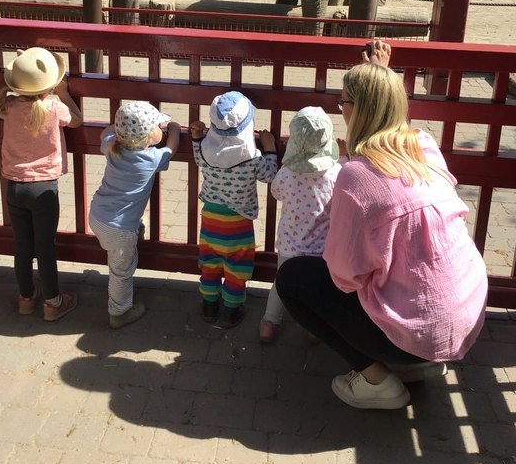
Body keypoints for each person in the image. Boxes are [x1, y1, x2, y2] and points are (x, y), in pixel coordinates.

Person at [276, 40, 488, 410]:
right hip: (464, 318)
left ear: (356, 109)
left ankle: (376, 380)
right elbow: (390, 119)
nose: (340, 108)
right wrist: (381, 74)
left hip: (419, 329)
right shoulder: (423, 145)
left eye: (343, 102)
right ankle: (421, 361)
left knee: (294, 278)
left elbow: (344, 276)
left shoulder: (356, 176)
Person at [0, 46, 83, 321]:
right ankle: (53, 302)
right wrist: (65, 94)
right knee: (45, 247)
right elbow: (77, 121)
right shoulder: (55, 107)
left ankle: (25, 297)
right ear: (51, 83)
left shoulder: (7, 106)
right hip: (44, 188)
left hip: (15, 187)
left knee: (22, 246)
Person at [89, 102, 181, 329]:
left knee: (128, 233)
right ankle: (119, 312)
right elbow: (172, 147)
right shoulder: (150, 160)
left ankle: (135, 231)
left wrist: (119, 128)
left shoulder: (112, 146)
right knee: (121, 271)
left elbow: (105, 132)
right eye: (158, 126)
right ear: (151, 136)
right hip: (119, 230)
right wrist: (176, 128)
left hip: (98, 215)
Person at [190, 91, 277, 328]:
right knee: (236, 268)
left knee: (209, 263)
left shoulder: (206, 151)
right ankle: (230, 310)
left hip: (210, 219)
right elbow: (270, 174)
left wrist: (197, 137)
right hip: (238, 223)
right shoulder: (251, 157)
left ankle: (208, 307)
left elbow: (198, 156)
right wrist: (270, 149)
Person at [259, 106, 345, 344]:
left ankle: (268, 323)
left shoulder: (287, 173)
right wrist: (346, 156)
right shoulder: (336, 173)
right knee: (317, 289)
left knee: (281, 282)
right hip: (321, 250)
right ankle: (313, 328)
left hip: (289, 246)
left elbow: (276, 192)